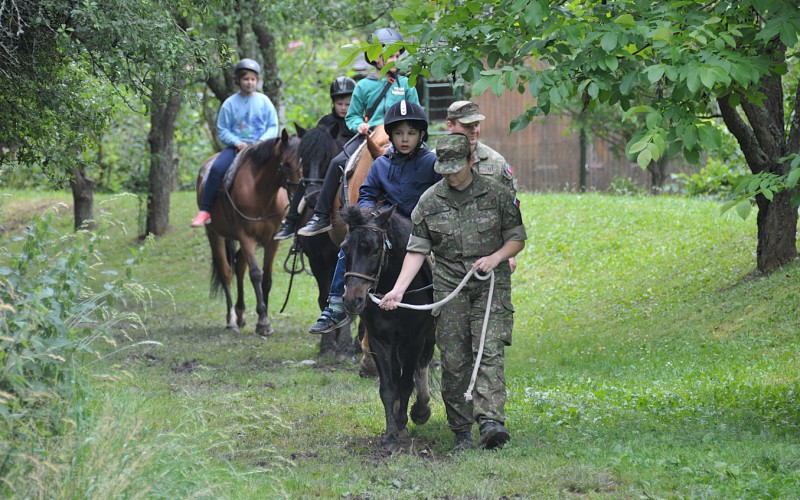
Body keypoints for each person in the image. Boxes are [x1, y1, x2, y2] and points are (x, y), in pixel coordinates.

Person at [378, 133, 527, 451]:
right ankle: (461, 430)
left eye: (456, 168)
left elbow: (516, 237)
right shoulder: (429, 202)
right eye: (444, 168)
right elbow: (417, 250)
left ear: (472, 162)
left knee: (488, 352)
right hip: (449, 288)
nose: (450, 174)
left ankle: (490, 422)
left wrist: (497, 257)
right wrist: (399, 290)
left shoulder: (497, 195)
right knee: (454, 360)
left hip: (490, 287)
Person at [308, 100, 440, 334]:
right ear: (390, 135)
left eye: (411, 133)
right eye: (399, 133)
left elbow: (441, 194)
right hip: (387, 228)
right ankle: (336, 305)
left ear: (421, 134)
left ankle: (442, 308)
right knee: (350, 244)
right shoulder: (380, 165)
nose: (405, 139)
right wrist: (371, 215)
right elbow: (367, 194)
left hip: (423, 229)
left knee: (442, 260)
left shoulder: (431, 162)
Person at [296, 27, 421, 237]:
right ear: (376, 57)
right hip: (371, 135)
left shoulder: (407, 84)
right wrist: (359, 126)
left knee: (430, 160)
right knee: (337, 162)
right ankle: (321, 216)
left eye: (398, 55)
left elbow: (417, 112)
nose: (396, 59)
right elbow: (352, 116)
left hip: (403, 135)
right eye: (391, 54)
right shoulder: (363, 86)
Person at [191, 58, 279, 227]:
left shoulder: (264, 102)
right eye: (246, 79)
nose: (250, 83)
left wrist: (262, 141)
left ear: (257, 81)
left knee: (282, 168)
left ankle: (286, 214)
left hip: (261, 147)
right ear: (238, 80)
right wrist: (237, 142)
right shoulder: (229, 104)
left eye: (253, 79)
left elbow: (273, 125)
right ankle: (205, 210)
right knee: (216, 169)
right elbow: (222, 129)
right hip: (237, 148)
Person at [273, 76, 356, 240]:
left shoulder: (357, 120)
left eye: (347, 104)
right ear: (333, 103)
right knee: (305, 182)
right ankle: (290, 222)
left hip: (351, 163)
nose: (344, 108)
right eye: (340, 104)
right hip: (327, 168)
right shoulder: (326, 121)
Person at [442, 100, 519, 272]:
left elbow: (510, 209)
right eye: (467, 125)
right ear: (450, 125)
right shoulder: (434, 160)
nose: (474, 130)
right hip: (446, 257)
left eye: (476, 125)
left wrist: (510, 254)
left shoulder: (496, 162)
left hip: (489, 254)